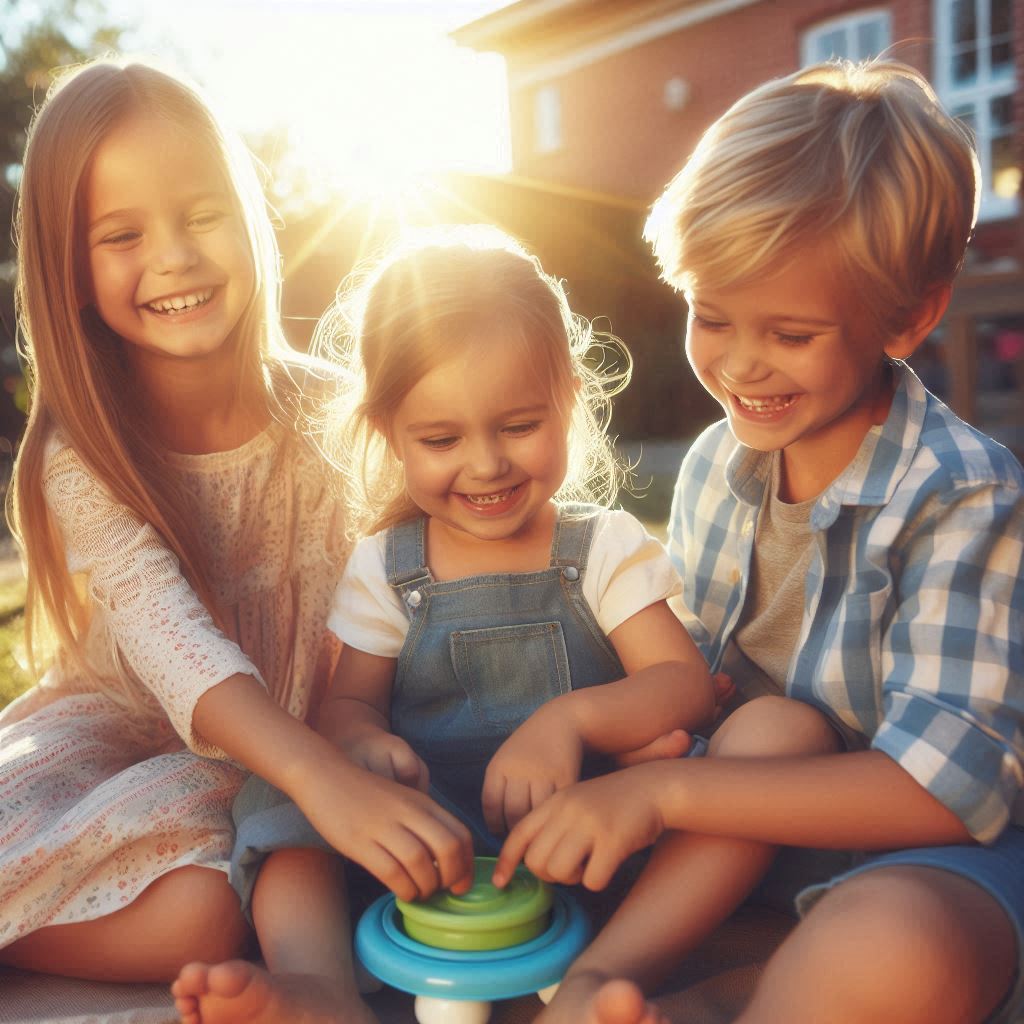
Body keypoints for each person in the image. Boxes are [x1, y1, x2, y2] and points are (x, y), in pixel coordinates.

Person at [494, 58, 1024, 1024]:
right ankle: (598, 992)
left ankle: (717, 998)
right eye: (712, 316)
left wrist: (668, 796)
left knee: (893, 950)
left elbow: (952, 792)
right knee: (774, 728)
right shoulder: (716, 466)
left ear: (908, 316)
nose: (739, 364)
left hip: (920, 859)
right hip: (745, 844)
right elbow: (709, 694)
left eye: (790, 332)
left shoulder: (964, 494)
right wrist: (637, 738)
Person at [0, 56, 476, 1024]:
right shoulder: (81, 452)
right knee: (203, 906)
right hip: (133, 738)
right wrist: (320, 778)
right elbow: (175, 648)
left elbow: (437, 570)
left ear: (250, 219)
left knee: (221, 889)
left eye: (202, 214)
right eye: (122, 234)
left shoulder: (341, 414)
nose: (172, 256)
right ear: (70, 272)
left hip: (300, 740)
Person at [171, 224, 736, 1024]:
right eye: (441, 439)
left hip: (588, 834)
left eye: (518, 426)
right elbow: (348, 708)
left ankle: (622, 967)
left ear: (569, 400)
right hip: (430, 839)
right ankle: (317, 986)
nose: (486, 464)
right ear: (389, 434)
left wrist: (570, 719)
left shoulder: (601, 548)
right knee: (278, 790)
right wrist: (364, 745)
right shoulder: (386, 567)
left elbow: (682, 686)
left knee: (716, 789)